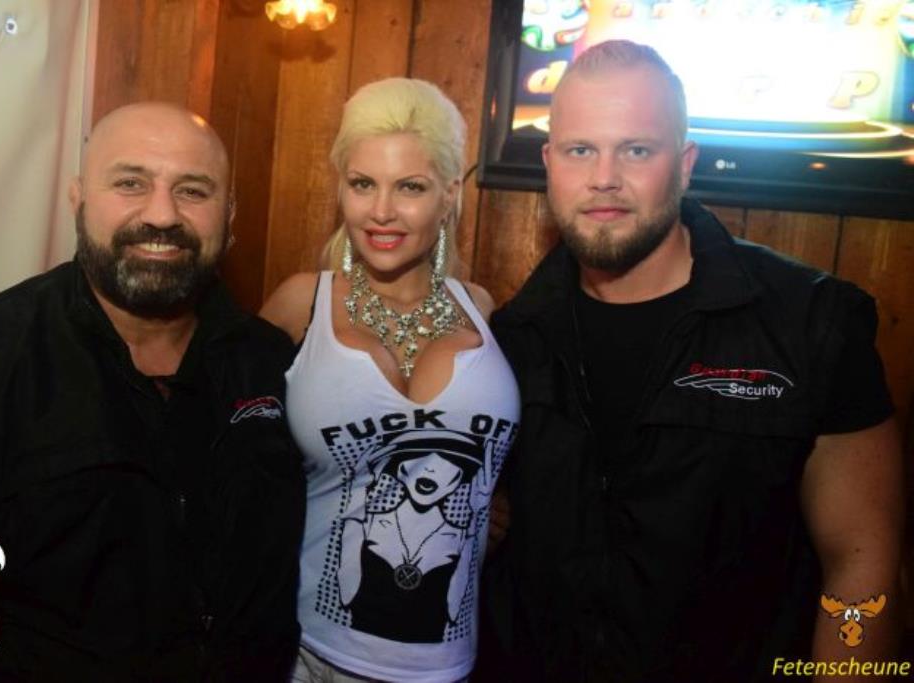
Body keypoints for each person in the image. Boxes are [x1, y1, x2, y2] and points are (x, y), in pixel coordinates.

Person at [483, 40, 904, 682]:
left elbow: (862, 563)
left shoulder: (810, 323)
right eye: (580, 150)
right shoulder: (511, 338)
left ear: (683, 165)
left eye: (636, 150)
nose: (604, 177)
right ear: (549, 163)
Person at [0, 102, 304, 682]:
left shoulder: (271, 362)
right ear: (78, 198)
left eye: (193, 191)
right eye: (131, 183)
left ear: (229, 214)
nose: (162, 214)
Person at [261, 78, 520, 682]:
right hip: (310, 657)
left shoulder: (481, 308)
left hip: (448, 664)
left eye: (410, 187)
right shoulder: (301, 305)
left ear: (449, 194)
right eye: (362, 184)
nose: (381, 211)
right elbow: (232, 458)